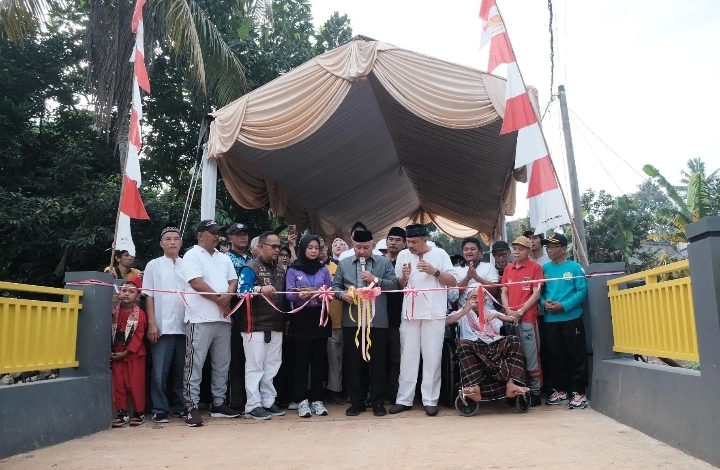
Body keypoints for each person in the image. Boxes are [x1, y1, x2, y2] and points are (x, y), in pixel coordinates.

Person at [390, 224, 457, 417]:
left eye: (414, 242)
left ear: (425, 240)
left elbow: (453, 283)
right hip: (410, 313)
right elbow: (401, 285)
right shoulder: (403, 256)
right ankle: (404, 399)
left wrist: (434, 272)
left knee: (432, 357)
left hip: (434, 314)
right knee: (408, 357)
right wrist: (404, 277)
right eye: (408, 241)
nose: (410, 245)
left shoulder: (440, 254)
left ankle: (430, 400)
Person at [332, 229, 398, 417]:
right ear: (353, 245)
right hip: (352, 321)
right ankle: (357, 402)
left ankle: (378, 402)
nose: (361, 251)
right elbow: (335, 287)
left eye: (366, 247)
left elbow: (394, 284)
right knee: (353, 363)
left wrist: (375, 279)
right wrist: (342, 295)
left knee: (378, 363)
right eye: (358, 247)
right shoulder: (344, 264)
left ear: (373, 245)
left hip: (377, 321)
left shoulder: (383, 262)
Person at [181, 220, 240, 427]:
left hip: (223, 320)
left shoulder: (224, 258)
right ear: (200, 235)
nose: (217, 236)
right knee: (194, 364)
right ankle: (191, 407)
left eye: (218, 233)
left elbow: (234, 280)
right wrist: (220, 300)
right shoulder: (191, 255)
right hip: (200, 318)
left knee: (222, 364)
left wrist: (228, 296)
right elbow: (196, 282)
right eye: (212, 232)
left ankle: (218, 403)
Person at [238, 231, 288, 420]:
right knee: (255, 366)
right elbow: (242, 293)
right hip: (254, 326)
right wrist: (259, 289)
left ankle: (268, 401)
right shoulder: (249, 268)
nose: (277, 250)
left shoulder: (282, 269)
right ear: (260, 247)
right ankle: (252, 405)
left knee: (273, 365)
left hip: (276, 324)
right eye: (273, 246)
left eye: (278, 246)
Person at [451, 288, 531, 404]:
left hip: (494, 346)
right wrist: (464, 311)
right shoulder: (462, 313)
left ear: (485, 300)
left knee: (514, 340)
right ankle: (474, 387)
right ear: (467, 300)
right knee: (462, 344)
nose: (477, 301)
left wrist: (499, 316)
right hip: (474, 347)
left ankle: (511, 384)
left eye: (480, 298)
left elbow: (513, 320)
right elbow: (446, 322)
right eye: (474, 298)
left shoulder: (492, 312)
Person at [143, 225, 188, 423]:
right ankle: (159, 408)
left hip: (185, 325)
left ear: (181, 243)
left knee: (182, 370)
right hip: (162, 326)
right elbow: (149, 296)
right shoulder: (153, 265)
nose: (172, 242)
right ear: (161, 243)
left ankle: (180, 405)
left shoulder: (188, 265)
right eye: (168, 239)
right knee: (160, 371)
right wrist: (152, 323)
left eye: (175, 239)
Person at [285, 235, 333, 417]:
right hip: (301, 318)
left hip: (320, 317)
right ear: (303, 249)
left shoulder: (323, 270)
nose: (313, 251)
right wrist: (300, 296)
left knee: (318, 362)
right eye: (310, 247)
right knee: (301, 362)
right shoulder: (293, 270)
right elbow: (288, 294)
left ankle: (317, 399)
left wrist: (323, 295)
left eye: (316, 248)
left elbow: (330, 290)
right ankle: (301, 400)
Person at [540, 233, 589, 409]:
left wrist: (564, 305)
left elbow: (582, 291)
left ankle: (579, 393)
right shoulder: (544, 269)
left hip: (571, 318)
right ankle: (559, 390)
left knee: (576, 356)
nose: (549, 250)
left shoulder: (575, 268)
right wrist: (543, 302)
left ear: (563, 248)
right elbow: (540, 292)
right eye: (547, 247)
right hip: (550, 320)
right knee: (555, 357)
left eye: (553, 247)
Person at [500, 236, 544, 406]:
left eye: (521, 249)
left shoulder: (535, 268)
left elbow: (536, 293)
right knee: (513, 355)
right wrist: (508, 310)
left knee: (530, 354)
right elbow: (504, 292)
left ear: (528, 251)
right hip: (511, 318)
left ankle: (535, 391)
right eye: (515, 248)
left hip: (527, 318)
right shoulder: (508, 269)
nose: (517, 252)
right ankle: (517, 388)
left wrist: (519, 311)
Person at [111, 277, 147, 428]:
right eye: (123, 291)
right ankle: (122, 412)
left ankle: (139, 412)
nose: (126, 294)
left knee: (135, 383)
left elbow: (138, 335)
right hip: (117, 350)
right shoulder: (113, 312)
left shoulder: (140, 314)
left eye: (131, 292)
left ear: (138, 296)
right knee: (119, 383)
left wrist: (126, 352)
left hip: (134, 353)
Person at [225, 222, 253, 412]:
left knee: (250, 357)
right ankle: (235, 401)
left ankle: (251, 399)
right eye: (238, 234)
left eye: (245, 234)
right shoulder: (225, 258)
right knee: (234, 356)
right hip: (232, 309)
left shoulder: (252, 258)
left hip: (250, 312)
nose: (243, 237)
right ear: (230, 238)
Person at [383, 227, 406, 403]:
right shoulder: (378, 262)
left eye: (398, 239)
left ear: (405, 243)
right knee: (377, 357)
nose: (393, 242)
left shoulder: (407, 263)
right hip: (377, 316)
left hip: (399, 317)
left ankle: (393, 394)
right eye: (391, 239)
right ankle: (376, 393)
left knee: (396, 358)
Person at [325, 244, 346, 406]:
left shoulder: (339, 267)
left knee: (337, 359)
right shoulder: (310, 270)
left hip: (340, 320)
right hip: (317, 321)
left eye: (319, 247)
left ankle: (337, 390)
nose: (316, 250)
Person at [457, 238, 499, 309]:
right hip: (463, 313)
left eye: (473, 249)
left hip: (488, 311)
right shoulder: (455, 270)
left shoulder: (489, 267)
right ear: (463, 253)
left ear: (480, 253)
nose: (469, 251)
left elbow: (495, 291)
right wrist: (467, 278)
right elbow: (454, 294)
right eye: (466, 249)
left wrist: (477, 277)